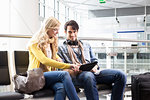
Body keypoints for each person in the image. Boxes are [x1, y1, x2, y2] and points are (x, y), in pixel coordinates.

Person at [57, 20, 127, 100]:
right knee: (88, 76)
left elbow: (94, 61)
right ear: (65, 32)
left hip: (93, 73)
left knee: (121, 75)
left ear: (77, 31)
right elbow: (61, 70)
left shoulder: (86, 45)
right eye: (70, 32)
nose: (72, 34)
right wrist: (75, 69)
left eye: (74, 31)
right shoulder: (60, 48)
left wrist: (95, 67)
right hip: (78, 76)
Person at [27, 17, 80, 100]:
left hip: (48, 75)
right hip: (37, 76)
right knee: (64, 74)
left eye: (58, 29)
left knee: (61, 88)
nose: (57, 32)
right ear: (47, 28)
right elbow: (44, 60)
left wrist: (58, 58)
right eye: (55, 29)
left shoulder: (52, 41)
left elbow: (53, 55)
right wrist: (68, 66)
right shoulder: (34, 43)